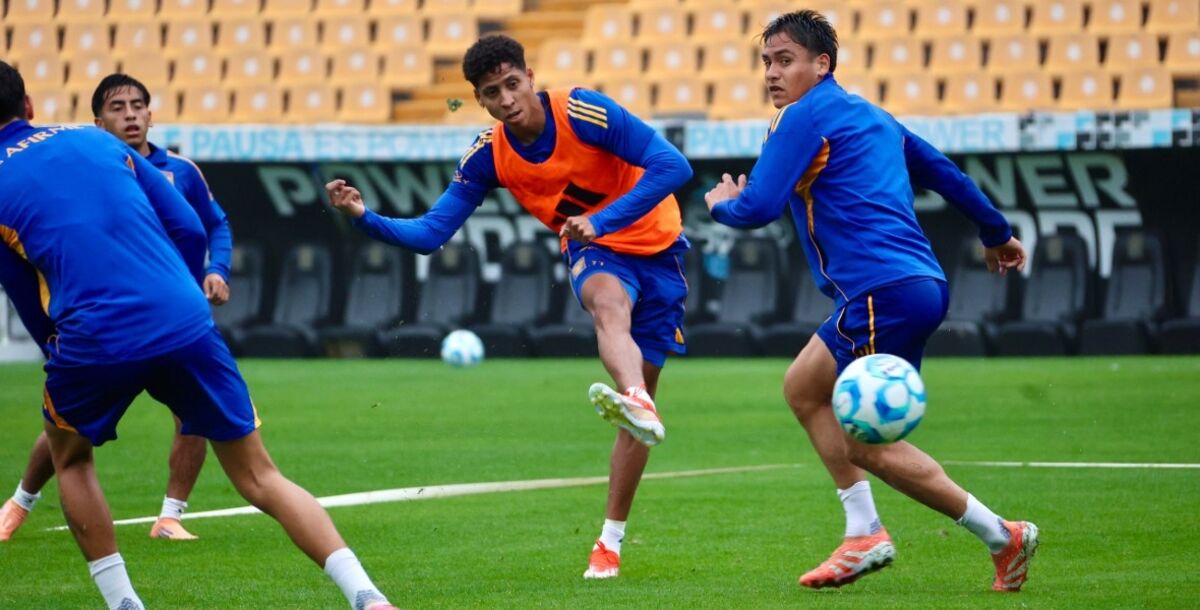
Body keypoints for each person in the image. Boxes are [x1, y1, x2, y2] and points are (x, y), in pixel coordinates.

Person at [0, 61, 397, 610]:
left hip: (93, 335)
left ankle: (124, 604)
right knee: (260, 474)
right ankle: (367, 595)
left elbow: (21, 289)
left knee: (71, 458)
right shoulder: (94, 141)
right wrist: (178, 296)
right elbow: (189, 226)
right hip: (184, 319)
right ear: (29, 107)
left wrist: (57, 349)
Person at [325, 34, 693, 580]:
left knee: (639, 427)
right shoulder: (487, 154)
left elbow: (673, 165)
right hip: (593, 250)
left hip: (658, 248)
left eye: (512, 84)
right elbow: (431, 233)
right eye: (492, 92)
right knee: (606, 305)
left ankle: (610, 536)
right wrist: (364, 217)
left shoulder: (583, 111)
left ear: (530, 77)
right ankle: (632, 395)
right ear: (480, 100)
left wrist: (602, 220)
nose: (506, 100)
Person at [703, 11, 1038, 592]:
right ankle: (863, 530)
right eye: (766, 63)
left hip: (882, 293)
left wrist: (720, 204)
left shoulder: (802, 118)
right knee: (804, 388)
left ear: (821, 64)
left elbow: (756, 207)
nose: (772, 75)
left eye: (785, 61)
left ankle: (1001, 535)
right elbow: (946, 174)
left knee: (868, 445)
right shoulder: (872, 117)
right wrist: (995, 232)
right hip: (908, 287)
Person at [0, 73, 234, 542]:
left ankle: (171, 515)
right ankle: (20, 501)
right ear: (97, 120)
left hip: (173, 316)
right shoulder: (90, 165)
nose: (130, 115)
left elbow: (213, 224)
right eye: (117, 107)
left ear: (151, 113)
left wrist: (216, 271)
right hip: (110, 322)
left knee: (191, 418)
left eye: (138, 105)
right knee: (68, 427)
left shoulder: (182, 171)